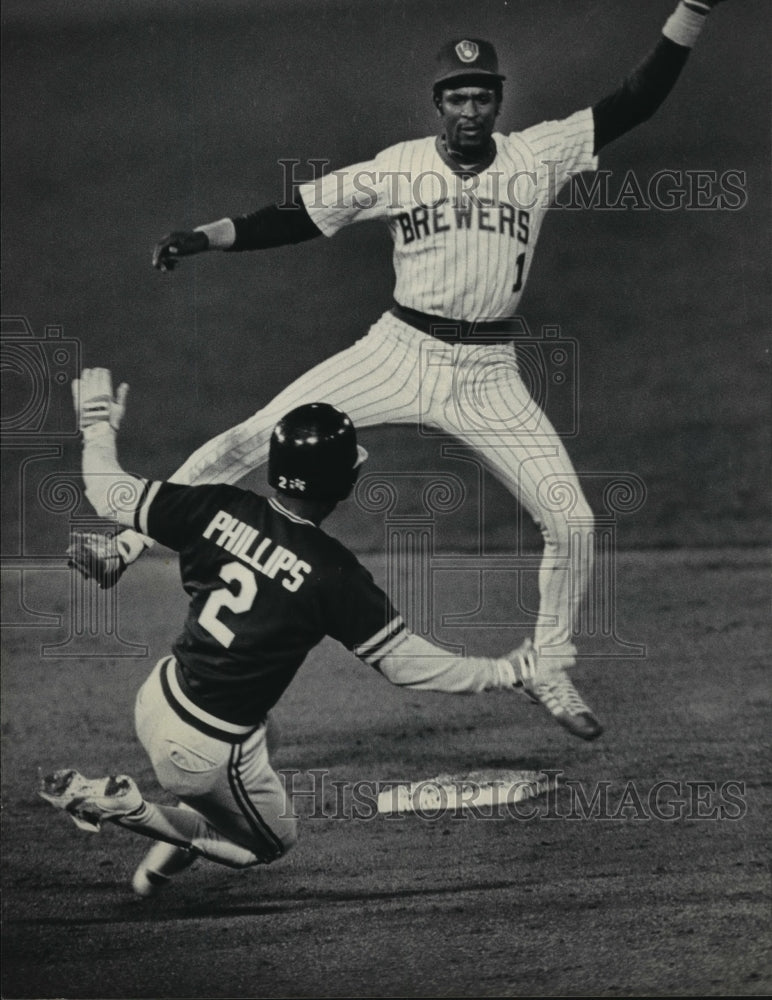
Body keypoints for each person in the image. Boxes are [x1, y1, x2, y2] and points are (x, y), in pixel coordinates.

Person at [68, 1, 726, 740]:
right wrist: (202, 238)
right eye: (457, 96)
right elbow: (295, 216)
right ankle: (124, 545)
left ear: (498, 101)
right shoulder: (398, 167)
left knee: (571, 518)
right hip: (397, 350)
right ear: (438, 103)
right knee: (248, 439)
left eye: (482, 95)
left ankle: (548, 663)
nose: (470, 108)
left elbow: (638, 97)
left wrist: (692, 11)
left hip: (487, 372)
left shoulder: (540, 153)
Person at [42, 368, 596, 899]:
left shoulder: (217, 504)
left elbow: (108, 492)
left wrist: (96, 424)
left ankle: (150, 879)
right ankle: (126, 807)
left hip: (160, 696)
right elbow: (405, 664)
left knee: (265, 738)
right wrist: (508, 670)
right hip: (204, 752)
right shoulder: (333, 574)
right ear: (346, 482)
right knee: (267, 846)